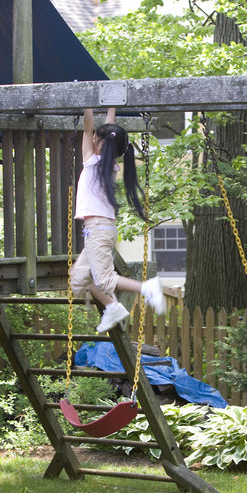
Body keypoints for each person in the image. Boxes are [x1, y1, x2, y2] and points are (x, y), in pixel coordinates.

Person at [70, 107, 166, 333]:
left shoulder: (91, 162)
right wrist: (110, 108)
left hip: (98, 229)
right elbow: (105, 130)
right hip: (100, 229)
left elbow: (87, 128)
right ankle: (113, 306)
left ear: (101, 143)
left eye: (95, 138)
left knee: (103, 280)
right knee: (78, 278)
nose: (91, 138)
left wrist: (87, 106)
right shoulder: (109, 165)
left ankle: (147, 288)